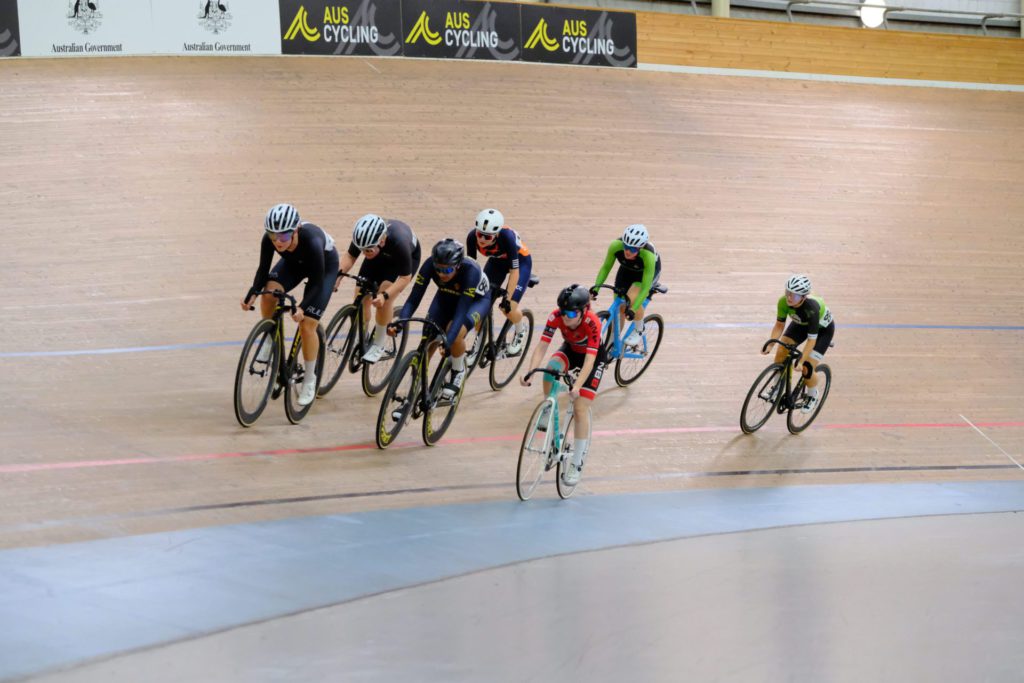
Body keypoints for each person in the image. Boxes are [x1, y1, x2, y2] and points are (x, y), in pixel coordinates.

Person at [241, 203, 339, 406]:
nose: (277, 241)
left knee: (307, 324)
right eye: (272, 236)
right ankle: (269, 339)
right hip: (294, 264)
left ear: (296, 230)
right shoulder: (271, 240)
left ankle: (310, 379)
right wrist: (253, 293)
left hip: (323, 268)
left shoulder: (312, 241)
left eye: (283, 237)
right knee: (269, 294)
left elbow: (317, 282)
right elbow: (263, 270)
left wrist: (303, 306)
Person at [520, 284, 607, 487]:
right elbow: (542, 345)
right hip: (570, 349)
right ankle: (547, 407)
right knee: (551, 368)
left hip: (592, 359)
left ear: (584, 310)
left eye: (570, 313)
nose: (565, 317)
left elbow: (589, 362)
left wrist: (576, 386)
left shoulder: (592, 323)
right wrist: (530, 370)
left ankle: (576, 462)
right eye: (563, 311)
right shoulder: (556, 316)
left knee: (579, 408)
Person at [390, 238, 491, 400]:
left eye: (448, 271)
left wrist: (448, 341)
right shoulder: (430, 264)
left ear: (457, 266)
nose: (441, 274)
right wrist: (400, 322)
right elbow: (413, 298)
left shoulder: (470, 272)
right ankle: (413, 389)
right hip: (447, 295)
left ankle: (458, 370)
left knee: (455, 332)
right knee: (428, 336)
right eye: (438, 269)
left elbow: (461, 312)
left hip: (476, 301)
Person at [338, 214, 421, 363]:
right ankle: (362, 338)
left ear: (382, 241)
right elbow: (350, 256)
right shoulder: (364, 237)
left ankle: (379, 343)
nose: (363, 253)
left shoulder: (399, 243)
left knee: (383, 299)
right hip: (378, 256)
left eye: (367, 250)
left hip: (402, 260)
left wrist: (385, 296)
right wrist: (338, 276)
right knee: (360, 298)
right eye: (362, 249)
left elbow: (405, 278)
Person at [764, 274, 835, 413]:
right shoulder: (783, 302)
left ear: (803, 297)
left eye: (795, 296)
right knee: (781, 352)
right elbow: (779, 325)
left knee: (807, 368)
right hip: (801, 324)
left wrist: (802, 361)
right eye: (788, 293)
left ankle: (812, 395)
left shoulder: (812, 308)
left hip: (822, 331)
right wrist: (771, 344)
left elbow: (811, 340)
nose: (790, 297)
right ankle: (776, 388)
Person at [465, 209, 532, 354]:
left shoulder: (507, 237)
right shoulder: (471, 237)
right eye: (480, 234)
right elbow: (472, 268)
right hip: (497, 263)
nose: (482, 239)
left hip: (521, 263)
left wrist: (508, 298)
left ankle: (521, 330)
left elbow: (514, 271)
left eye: (487, 237)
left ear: (496, 235)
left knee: (507, 308)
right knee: (479, 305)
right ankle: (480, 341)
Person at [590, 224, 661, 348]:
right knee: (619, 309)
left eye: (633, 249)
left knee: (631, 300)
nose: (628, 251)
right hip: (627, 271)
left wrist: (633, 310)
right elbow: (606, 268)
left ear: (640, 248)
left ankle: (639, 328)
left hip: (645, 275)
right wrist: (596, 288)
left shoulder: (648, 255)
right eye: (626, 246)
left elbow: (644, 288)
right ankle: (612, 341)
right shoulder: (615, 246)